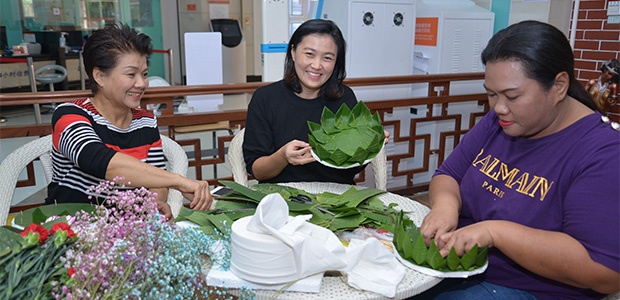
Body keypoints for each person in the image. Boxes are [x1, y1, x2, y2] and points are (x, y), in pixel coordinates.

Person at [418, 21, 619, 300]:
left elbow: (605, 273)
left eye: (512, 96)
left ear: (559, 85)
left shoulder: (604, 153)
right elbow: (449, 173)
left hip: (530, 289)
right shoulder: (501, 121)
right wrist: (445, 207)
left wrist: (495, 232)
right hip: (460, 268)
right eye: (491, 94)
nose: (499, 107)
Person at [45, 24, 212, 219]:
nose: (141, 84)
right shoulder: (69, 115)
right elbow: (101, 161)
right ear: (99, 76)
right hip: (69, 231)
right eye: (131, 74)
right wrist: (179, 181)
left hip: (126, 233)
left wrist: (153, 203)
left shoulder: (146, 121)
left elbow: (156, 181)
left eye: (145, 74)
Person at [243, 19, 387, 184]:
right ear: (293, 52)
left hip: (337, 199)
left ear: (336, 62)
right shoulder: (265, 98)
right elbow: (257, 171)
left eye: (327, 58)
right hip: (282, 198)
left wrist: (370, 144)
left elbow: (352, 168)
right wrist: (282, 156)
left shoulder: (344, 97)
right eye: (309, 54)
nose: (317, 65)